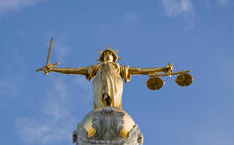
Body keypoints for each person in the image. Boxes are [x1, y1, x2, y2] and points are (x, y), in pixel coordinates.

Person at [41, 46, 173, 110]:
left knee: (113, 105)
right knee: (101, 105)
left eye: (110, 53)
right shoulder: (96, 68)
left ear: (114, 57)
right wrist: (53, 69)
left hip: (115, 83)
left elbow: (141, 70)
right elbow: (73, 70)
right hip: (99, 83)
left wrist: (161, 69)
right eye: (105, 53)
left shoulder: (119, 67)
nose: (108, 54)